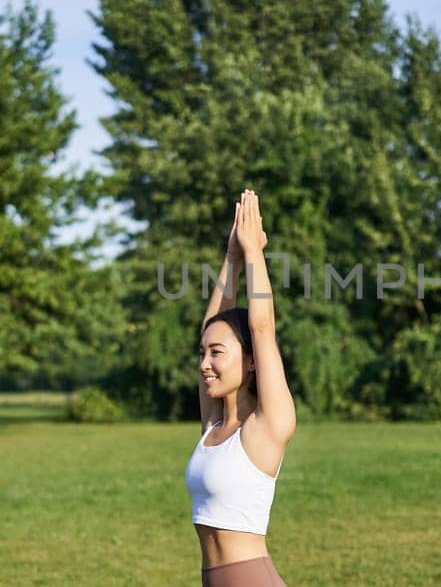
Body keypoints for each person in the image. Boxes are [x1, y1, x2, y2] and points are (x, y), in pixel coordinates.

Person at [186, 189, 296, 587]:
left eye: (217, 354)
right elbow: (212, 325)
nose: (205, 364)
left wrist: (254, 253)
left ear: (249, 360)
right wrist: (230, 258)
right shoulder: (214, 425)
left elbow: (262, 329)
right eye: (203, 354)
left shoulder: (266, 427)